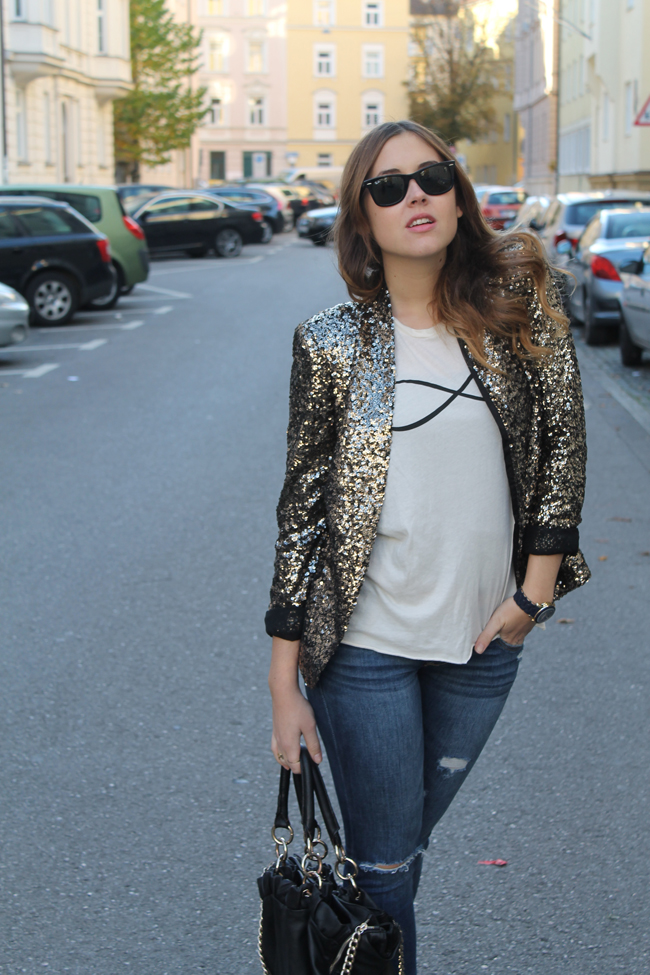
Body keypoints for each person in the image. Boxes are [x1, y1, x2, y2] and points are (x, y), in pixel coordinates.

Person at [265, 120, 590, 975]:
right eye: (388, 186)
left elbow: (564, 450)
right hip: (361, 648)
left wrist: (532, 598)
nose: (415, 195)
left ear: (458, 194)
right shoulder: (331, 342)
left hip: (484, 640)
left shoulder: (516, 313)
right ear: (362, 219)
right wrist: (282, 682)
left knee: (396, 851)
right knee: (385, 866)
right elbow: (303, 512)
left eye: (433, 177)